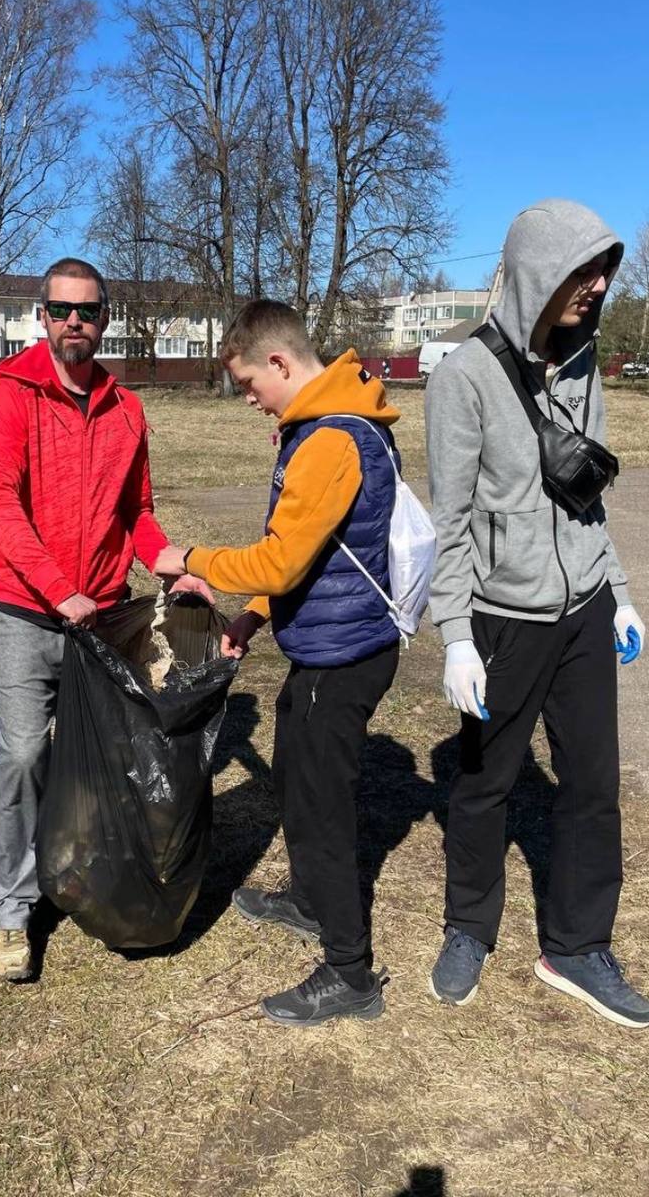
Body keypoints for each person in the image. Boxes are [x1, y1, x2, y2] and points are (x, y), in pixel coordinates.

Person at [425, 198, 649, 1027]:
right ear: (535, 273)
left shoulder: (585, 363)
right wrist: (456, 636)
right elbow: (451, 520)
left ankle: (578, 946)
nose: (596, 286)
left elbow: (587, 493)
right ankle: (468, 928)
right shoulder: (463, 378)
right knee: (486, 784)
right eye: (580, 271)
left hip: (585, 609)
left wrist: (617, 594)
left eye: (602, 271)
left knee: (592, 784)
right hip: (503, 618)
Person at [155, 299, 404, 1026]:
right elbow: (318, 554)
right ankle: (308, 900)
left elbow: (282, 560)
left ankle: (349, 972)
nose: (248, 399)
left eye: (248, 383)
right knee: (294, 773)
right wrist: (254, 616)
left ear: (278, 361)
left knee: (321, 810)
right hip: (326, 644)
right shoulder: (330, 423)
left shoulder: (330, 439)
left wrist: (191, 558)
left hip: (343, 655)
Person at [0, 256, 211, 981]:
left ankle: (82, 872)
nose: (74, 322)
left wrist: (169, 562)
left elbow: (137, 512)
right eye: (61, 310)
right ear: (41, 317)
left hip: (103, 619)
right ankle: (11, 912)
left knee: (99, 759)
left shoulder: (126, 409)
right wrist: (56, 589)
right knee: (24, 756)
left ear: (105, 318)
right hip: (27, 614)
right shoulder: (12, 396)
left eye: (87, 310)